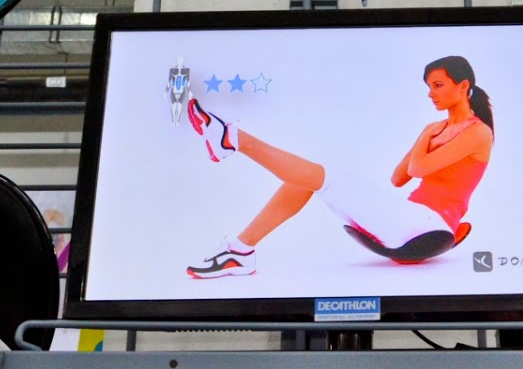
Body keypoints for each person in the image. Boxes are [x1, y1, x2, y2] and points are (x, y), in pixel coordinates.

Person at [183, 56, 493, 277]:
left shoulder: (478, 133)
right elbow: (398, 178)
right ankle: (240, 250)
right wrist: (428, 134)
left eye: (438, 85)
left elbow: (418, 169)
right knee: (308, 178)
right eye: (428, 86)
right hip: (408, 220)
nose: (431, 93)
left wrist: (425, 136)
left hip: (429, 225)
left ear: (463, 85)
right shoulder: (436, 128)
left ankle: (234, 138)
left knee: (324, 174)